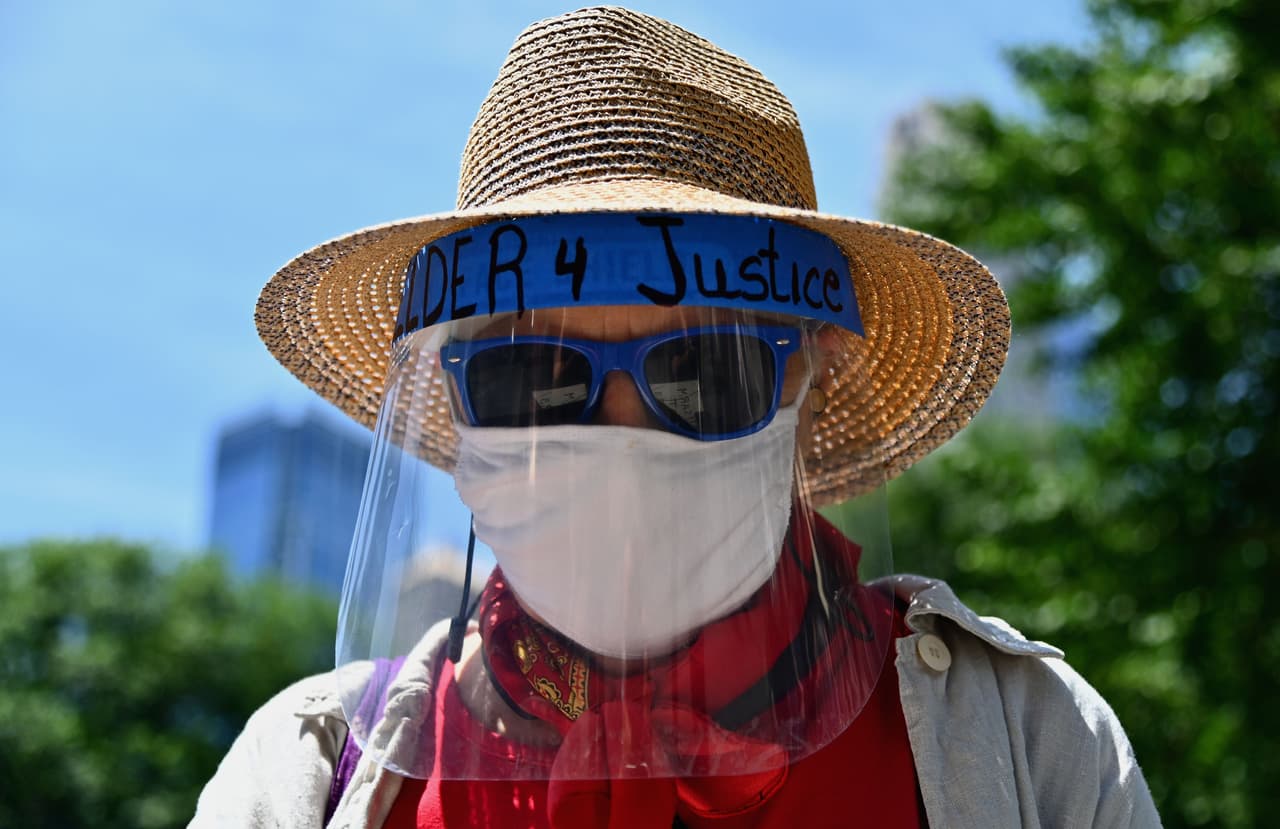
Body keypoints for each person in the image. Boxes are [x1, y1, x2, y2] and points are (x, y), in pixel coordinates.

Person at [192, 7, 1161, 828]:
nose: (621, 438)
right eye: (532, 377)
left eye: (702, 372)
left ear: (811, 382)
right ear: (455, 401)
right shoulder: (305, 770)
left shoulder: (1028, 735)